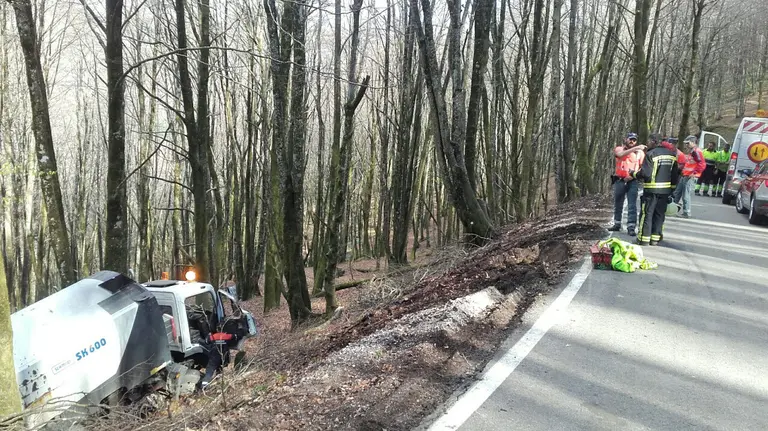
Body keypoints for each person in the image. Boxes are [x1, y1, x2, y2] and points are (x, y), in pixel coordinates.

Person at [631, 133, 680, 246]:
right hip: (665, 191)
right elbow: (674, 175)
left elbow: (646, 174)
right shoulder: (672, 155)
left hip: (651, 191)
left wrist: (634, 174)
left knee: (647, 214)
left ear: (653, 141)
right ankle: (655, 239)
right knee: (659, 214)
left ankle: (643, 239)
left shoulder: (651, 154)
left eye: (649, 141)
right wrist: (671, 190)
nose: (647, 143)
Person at [609, 132, 646, 236]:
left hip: (632, 181)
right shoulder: (619, 149)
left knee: (632, 205)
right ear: (625, 139)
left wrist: (634, 175)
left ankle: (631, 226)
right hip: (619, 180)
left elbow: (642, 167)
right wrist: (636, 148)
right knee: (618, 203)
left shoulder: (640, 153)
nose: (632, 141)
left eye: (634, 140)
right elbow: (619, 155)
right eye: (630, 139)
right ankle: (617, 224)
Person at [672, 136, 706, 218]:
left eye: (688, 143)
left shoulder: (696, 152)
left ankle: (686, 212)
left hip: (690, 176)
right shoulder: (692, 152)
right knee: (677, 193)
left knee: (685, 195)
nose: (686, 145)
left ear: (693, 142)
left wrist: (694, 173)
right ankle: (672, 209)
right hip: (685, 175)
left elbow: (702, 164)